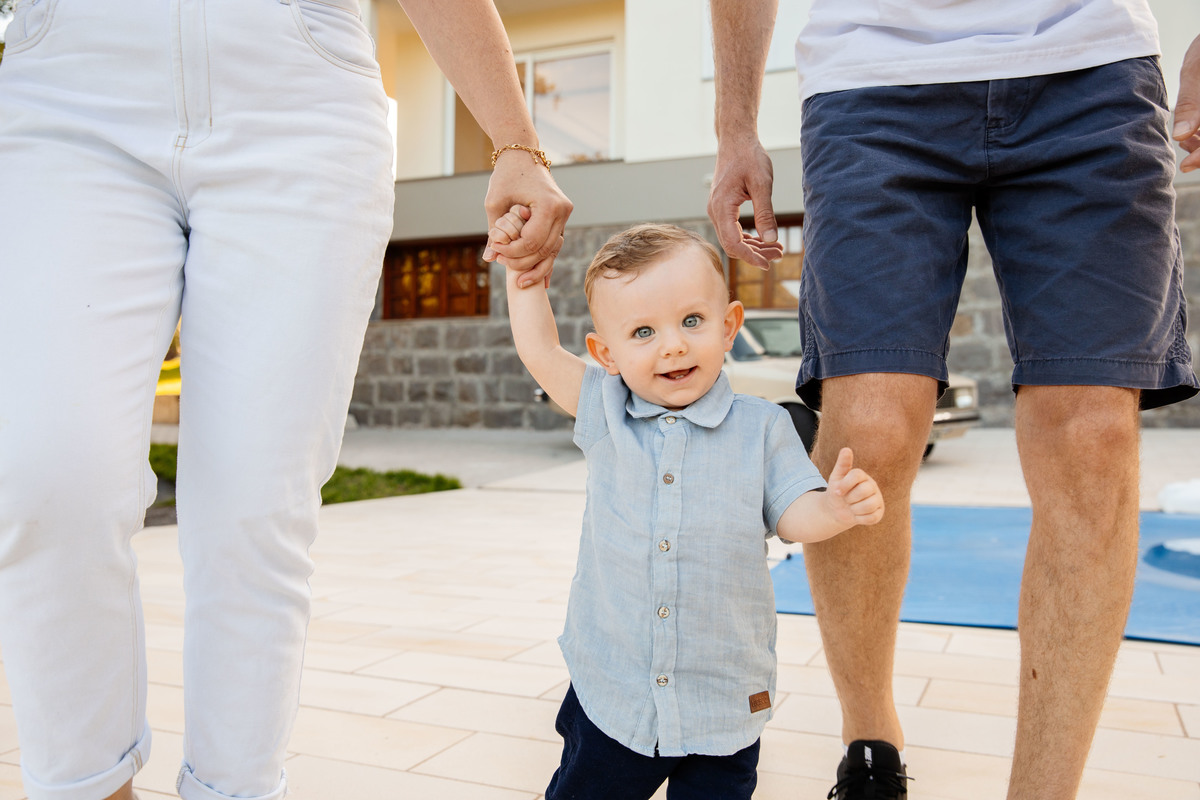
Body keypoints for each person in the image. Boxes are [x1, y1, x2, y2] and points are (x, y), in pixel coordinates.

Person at [0, 1, 570, 799]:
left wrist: (514, 138)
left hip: (298, 88)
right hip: (68, 88)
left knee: (254, 505)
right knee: (44, 479)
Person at [707, 2, 1200, 799]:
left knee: (1092, 438)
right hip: (872, 77)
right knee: (866, 432)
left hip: (1092, 65)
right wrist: (735, 124)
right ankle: (871, 743)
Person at [491, 215, 885, 799]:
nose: (673, 344)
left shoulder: (763, 427)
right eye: (643, 332)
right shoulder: (605, 410)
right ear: (606, 353)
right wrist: (521, 273)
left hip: (721, 693)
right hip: (618, 691)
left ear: (728, 327)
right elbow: (541, 349)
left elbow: (790, 511)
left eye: (692, 321)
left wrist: (834, 509)